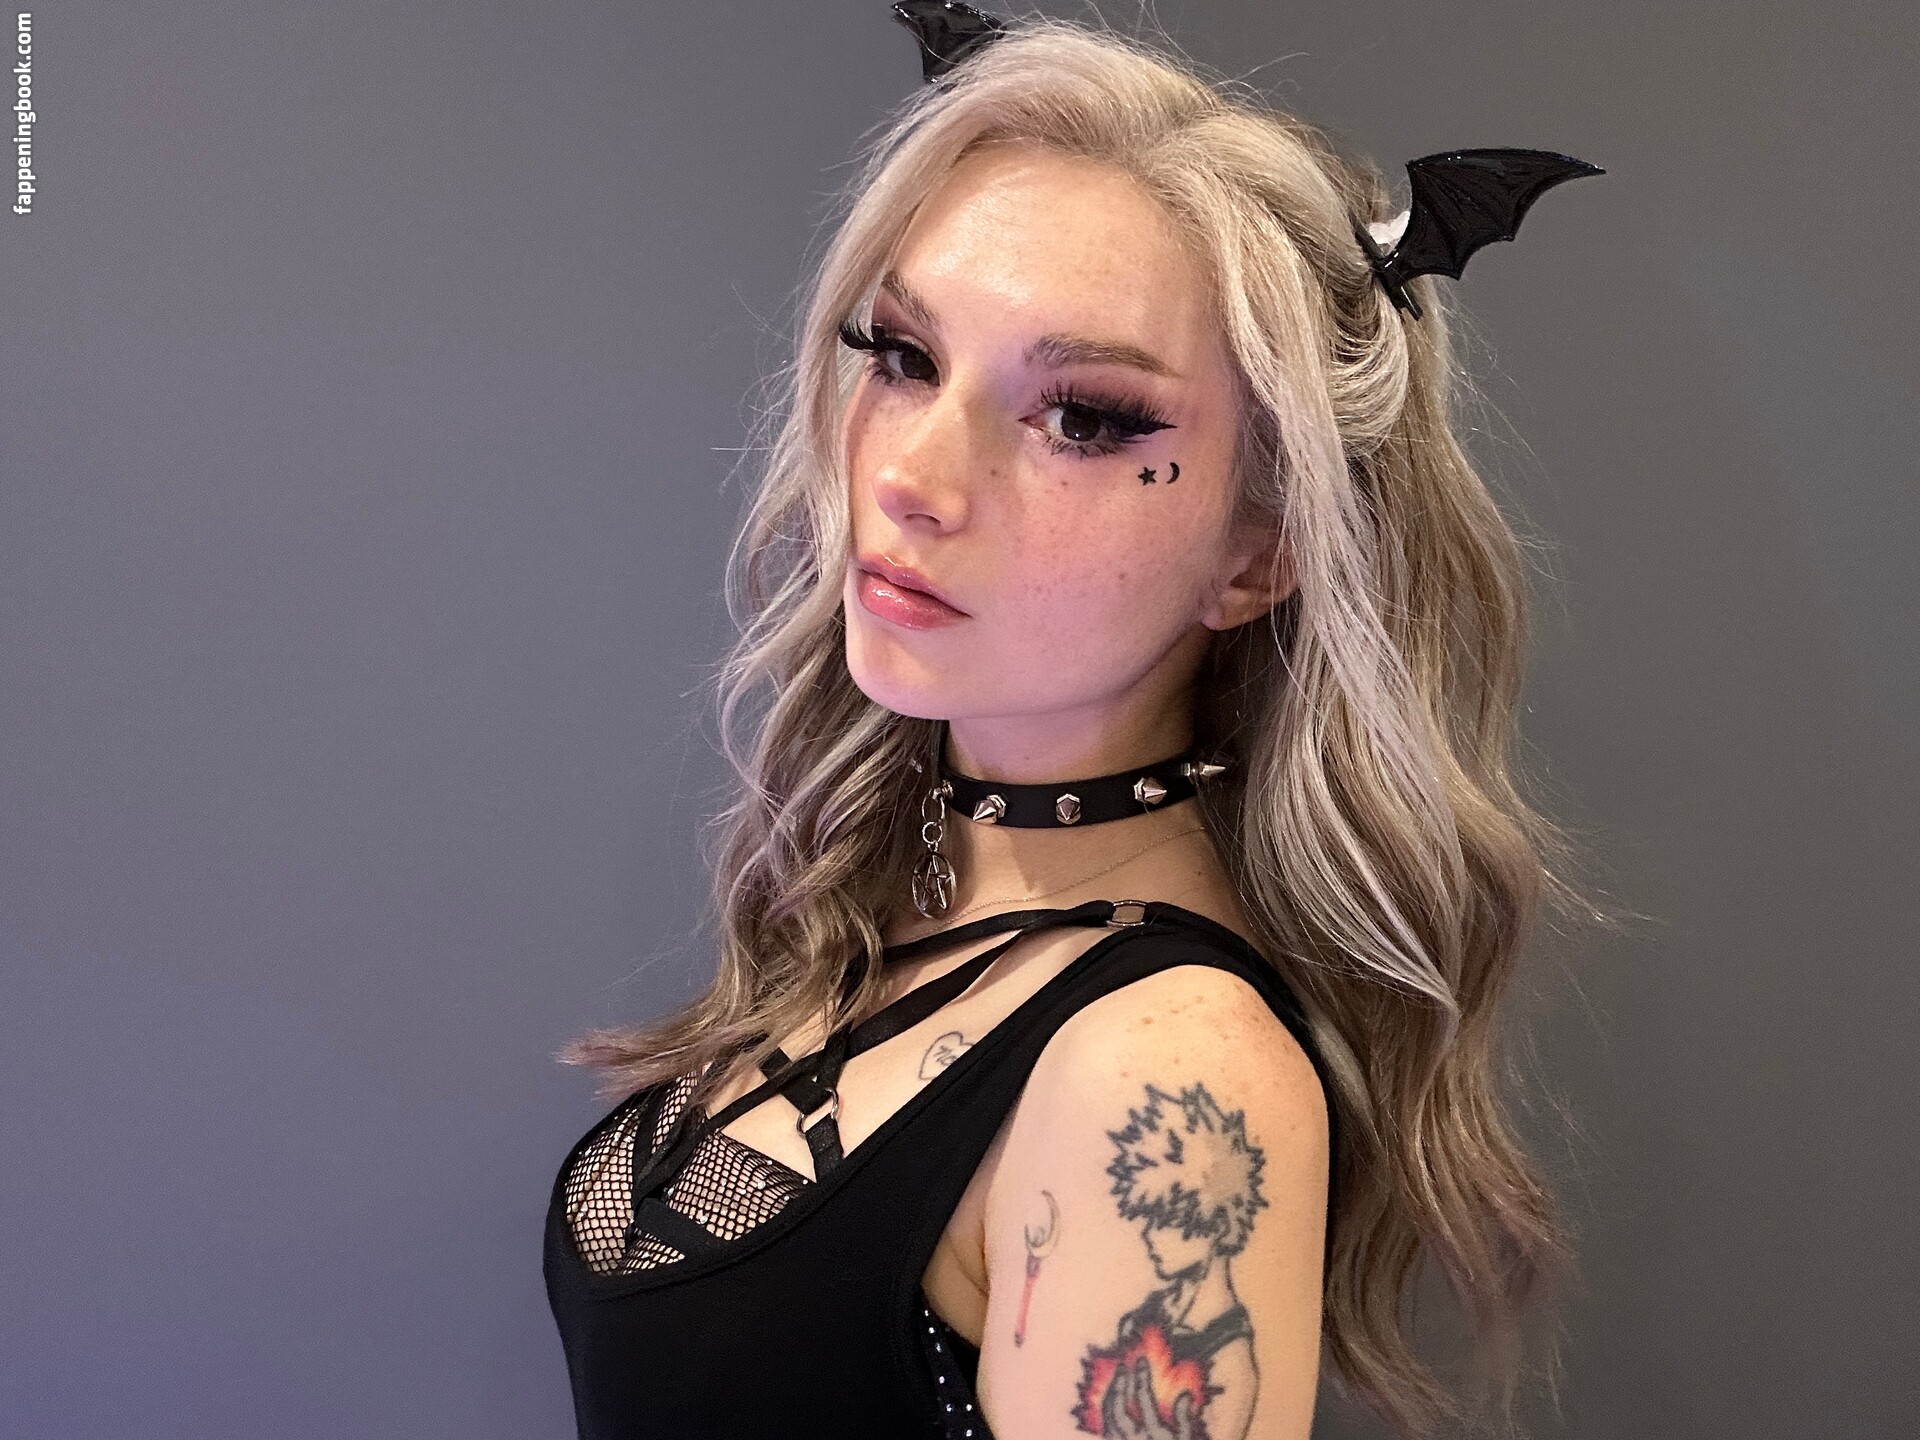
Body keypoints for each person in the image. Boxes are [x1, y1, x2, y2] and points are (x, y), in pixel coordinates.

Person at [543, 12, 1602, 1439]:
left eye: (1087, 419)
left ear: (1262, 547)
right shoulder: (913, 897)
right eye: (902, 354)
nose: (913, 475)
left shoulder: (1165, 1077)